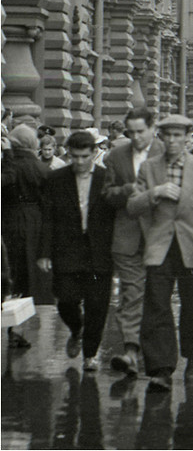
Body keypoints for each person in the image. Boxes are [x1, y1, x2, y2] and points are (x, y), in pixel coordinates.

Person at [127, 114, 193, 392]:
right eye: (167, 135)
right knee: (157, 307)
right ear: (161, 137)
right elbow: (132, 205)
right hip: (160, 247)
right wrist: (155, 192)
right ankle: (161, 369)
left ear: (187, 138)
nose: (172, 141)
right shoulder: (149, 168)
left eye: (178, 135)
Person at [38, 130, 116, 372]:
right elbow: (48, 217)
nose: (80, 162)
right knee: (66, 299)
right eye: (75, 157)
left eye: (84, 156)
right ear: (69, 154)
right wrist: (44, 253)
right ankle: (76, 328)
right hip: (67, 248)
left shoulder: (106, 178)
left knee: (97, 305)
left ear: (94, 153)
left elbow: (115, 217)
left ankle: (90, 355)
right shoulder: (56, 179)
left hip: (99, 250)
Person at [102, 107, 165, 376]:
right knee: (131, 293)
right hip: (126, 236)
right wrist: (128, 190)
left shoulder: (167, 152)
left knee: (156, 298)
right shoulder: (116, 156)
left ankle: (155, 355)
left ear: (153, 128)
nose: (136, 137)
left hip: (160, 236)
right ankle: (130, 352)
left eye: (141, 131)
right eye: (131, 132)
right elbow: (107, 194)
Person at [1, 124, 50, 349]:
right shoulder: (41, 168)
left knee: (7, 272)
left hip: (6, 220)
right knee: (26, 276)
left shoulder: (7, 165)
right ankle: (16, 328)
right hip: (33, 222)